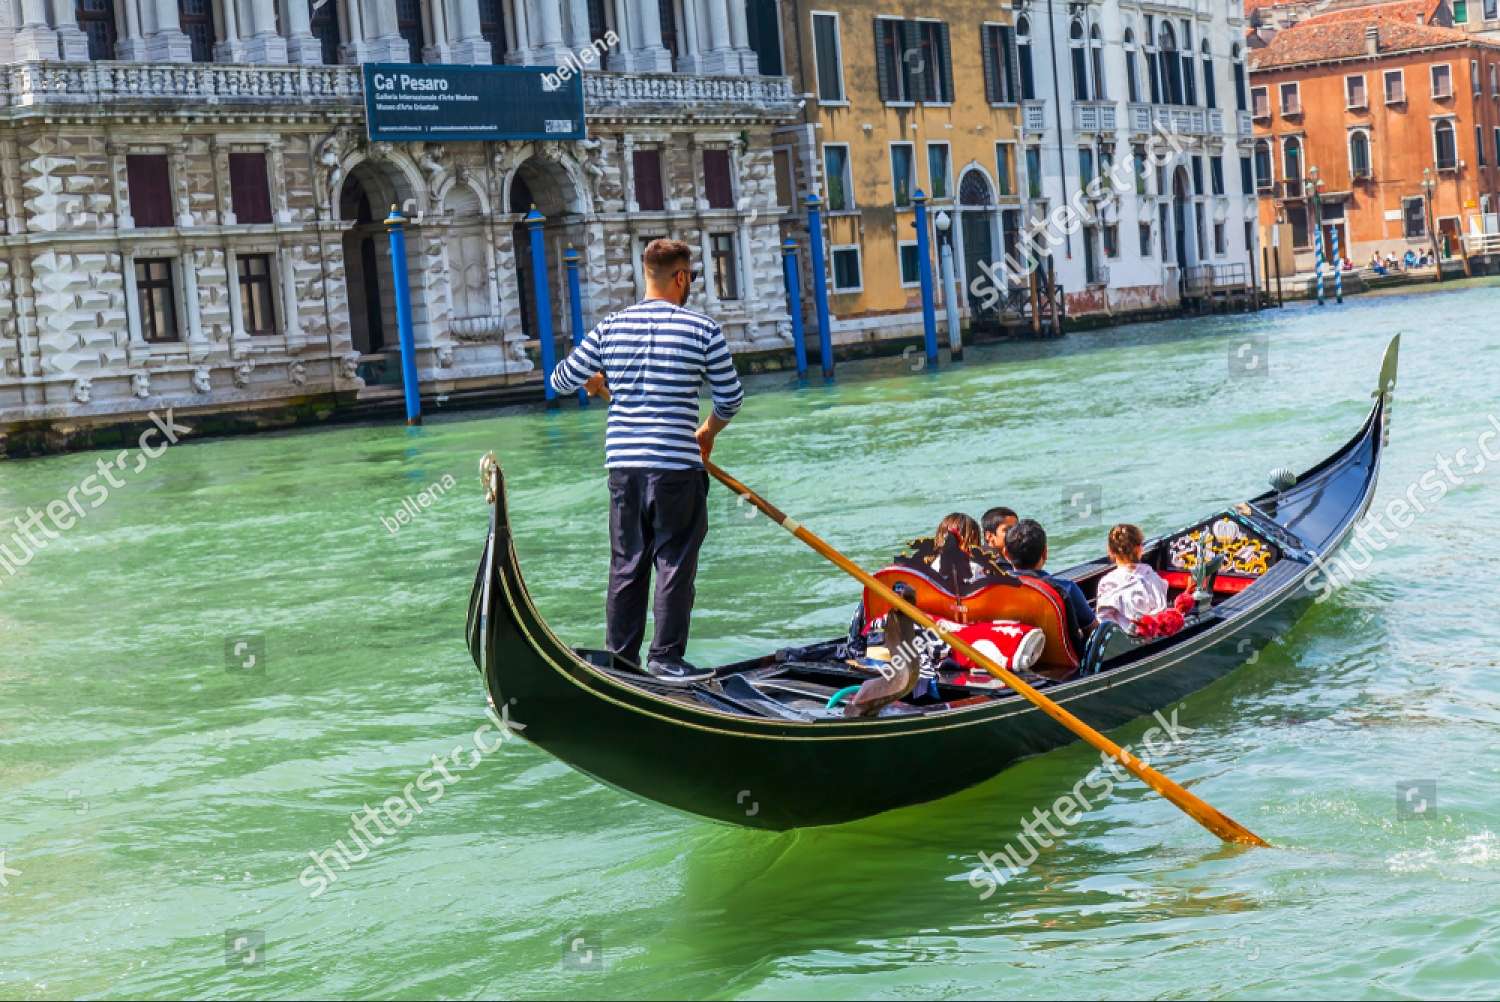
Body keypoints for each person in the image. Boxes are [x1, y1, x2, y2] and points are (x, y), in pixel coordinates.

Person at [551, 238, 744, 686]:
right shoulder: (702, 330)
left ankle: (620, 660)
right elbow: (730, 399)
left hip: (624, 470)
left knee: (627, 562)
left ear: (646, 275)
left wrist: (597, 383)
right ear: (680, 277)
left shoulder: (609, 328)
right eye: (691, 277)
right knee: (674, 560)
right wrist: (707, 432)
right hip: (677, 468)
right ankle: (666, 659)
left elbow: (560, 381)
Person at [1003, 519, 1098, 651]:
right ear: (1045, 553)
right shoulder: (1067, 589)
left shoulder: (996, 588)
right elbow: (1095, 633)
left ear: (1006, 554)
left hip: (1013, 658)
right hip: (1066, 662)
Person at [1095, 523, 1169, 629]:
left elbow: (1104, 620)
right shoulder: (1151, 575)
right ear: (1140, 549)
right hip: (1155, 629)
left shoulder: (1107, 582)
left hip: (1126, 639)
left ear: (1110, 551)